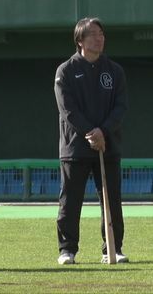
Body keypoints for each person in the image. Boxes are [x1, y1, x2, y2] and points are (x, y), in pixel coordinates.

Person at [54, 17, 128, 265]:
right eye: (94, 34)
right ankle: (67, 249)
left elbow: (120, 107)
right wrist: (90, 132)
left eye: (102, 34)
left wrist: (103, 132)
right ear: (80, 41)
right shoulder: (65, 71)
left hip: (108, 145)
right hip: (75, 148)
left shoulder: (114, 71)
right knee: (71, 201)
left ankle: (113, 248)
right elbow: (68, 109)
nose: (100, 38)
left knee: (111, 199)